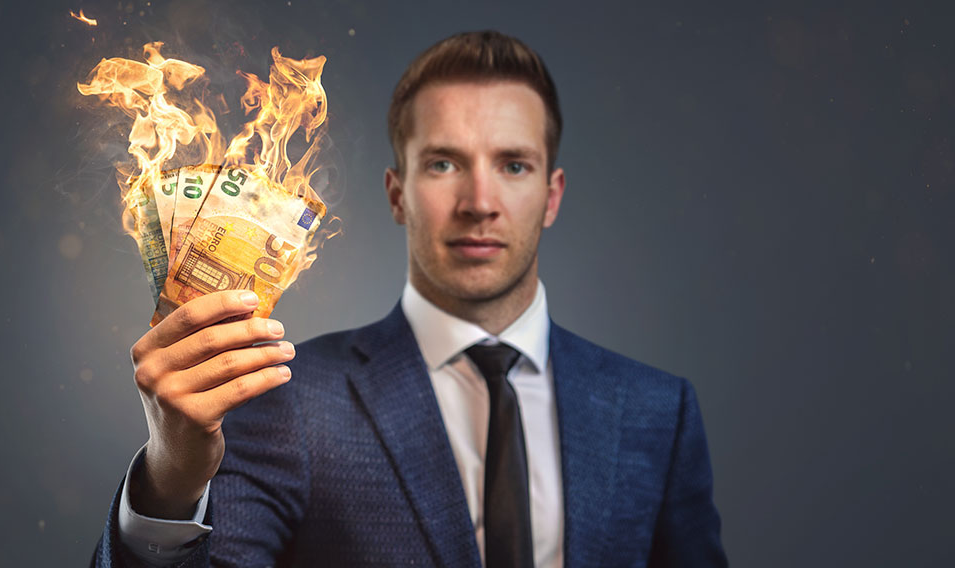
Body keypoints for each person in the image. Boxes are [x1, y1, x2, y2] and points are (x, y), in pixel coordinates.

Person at [93, 30, 727, 567]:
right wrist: (171, 481)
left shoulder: (657, 412)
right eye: (444, 164)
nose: (480, 202)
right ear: (397, 194)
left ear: (552, 194)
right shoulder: (283, 401)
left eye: (513, 165)